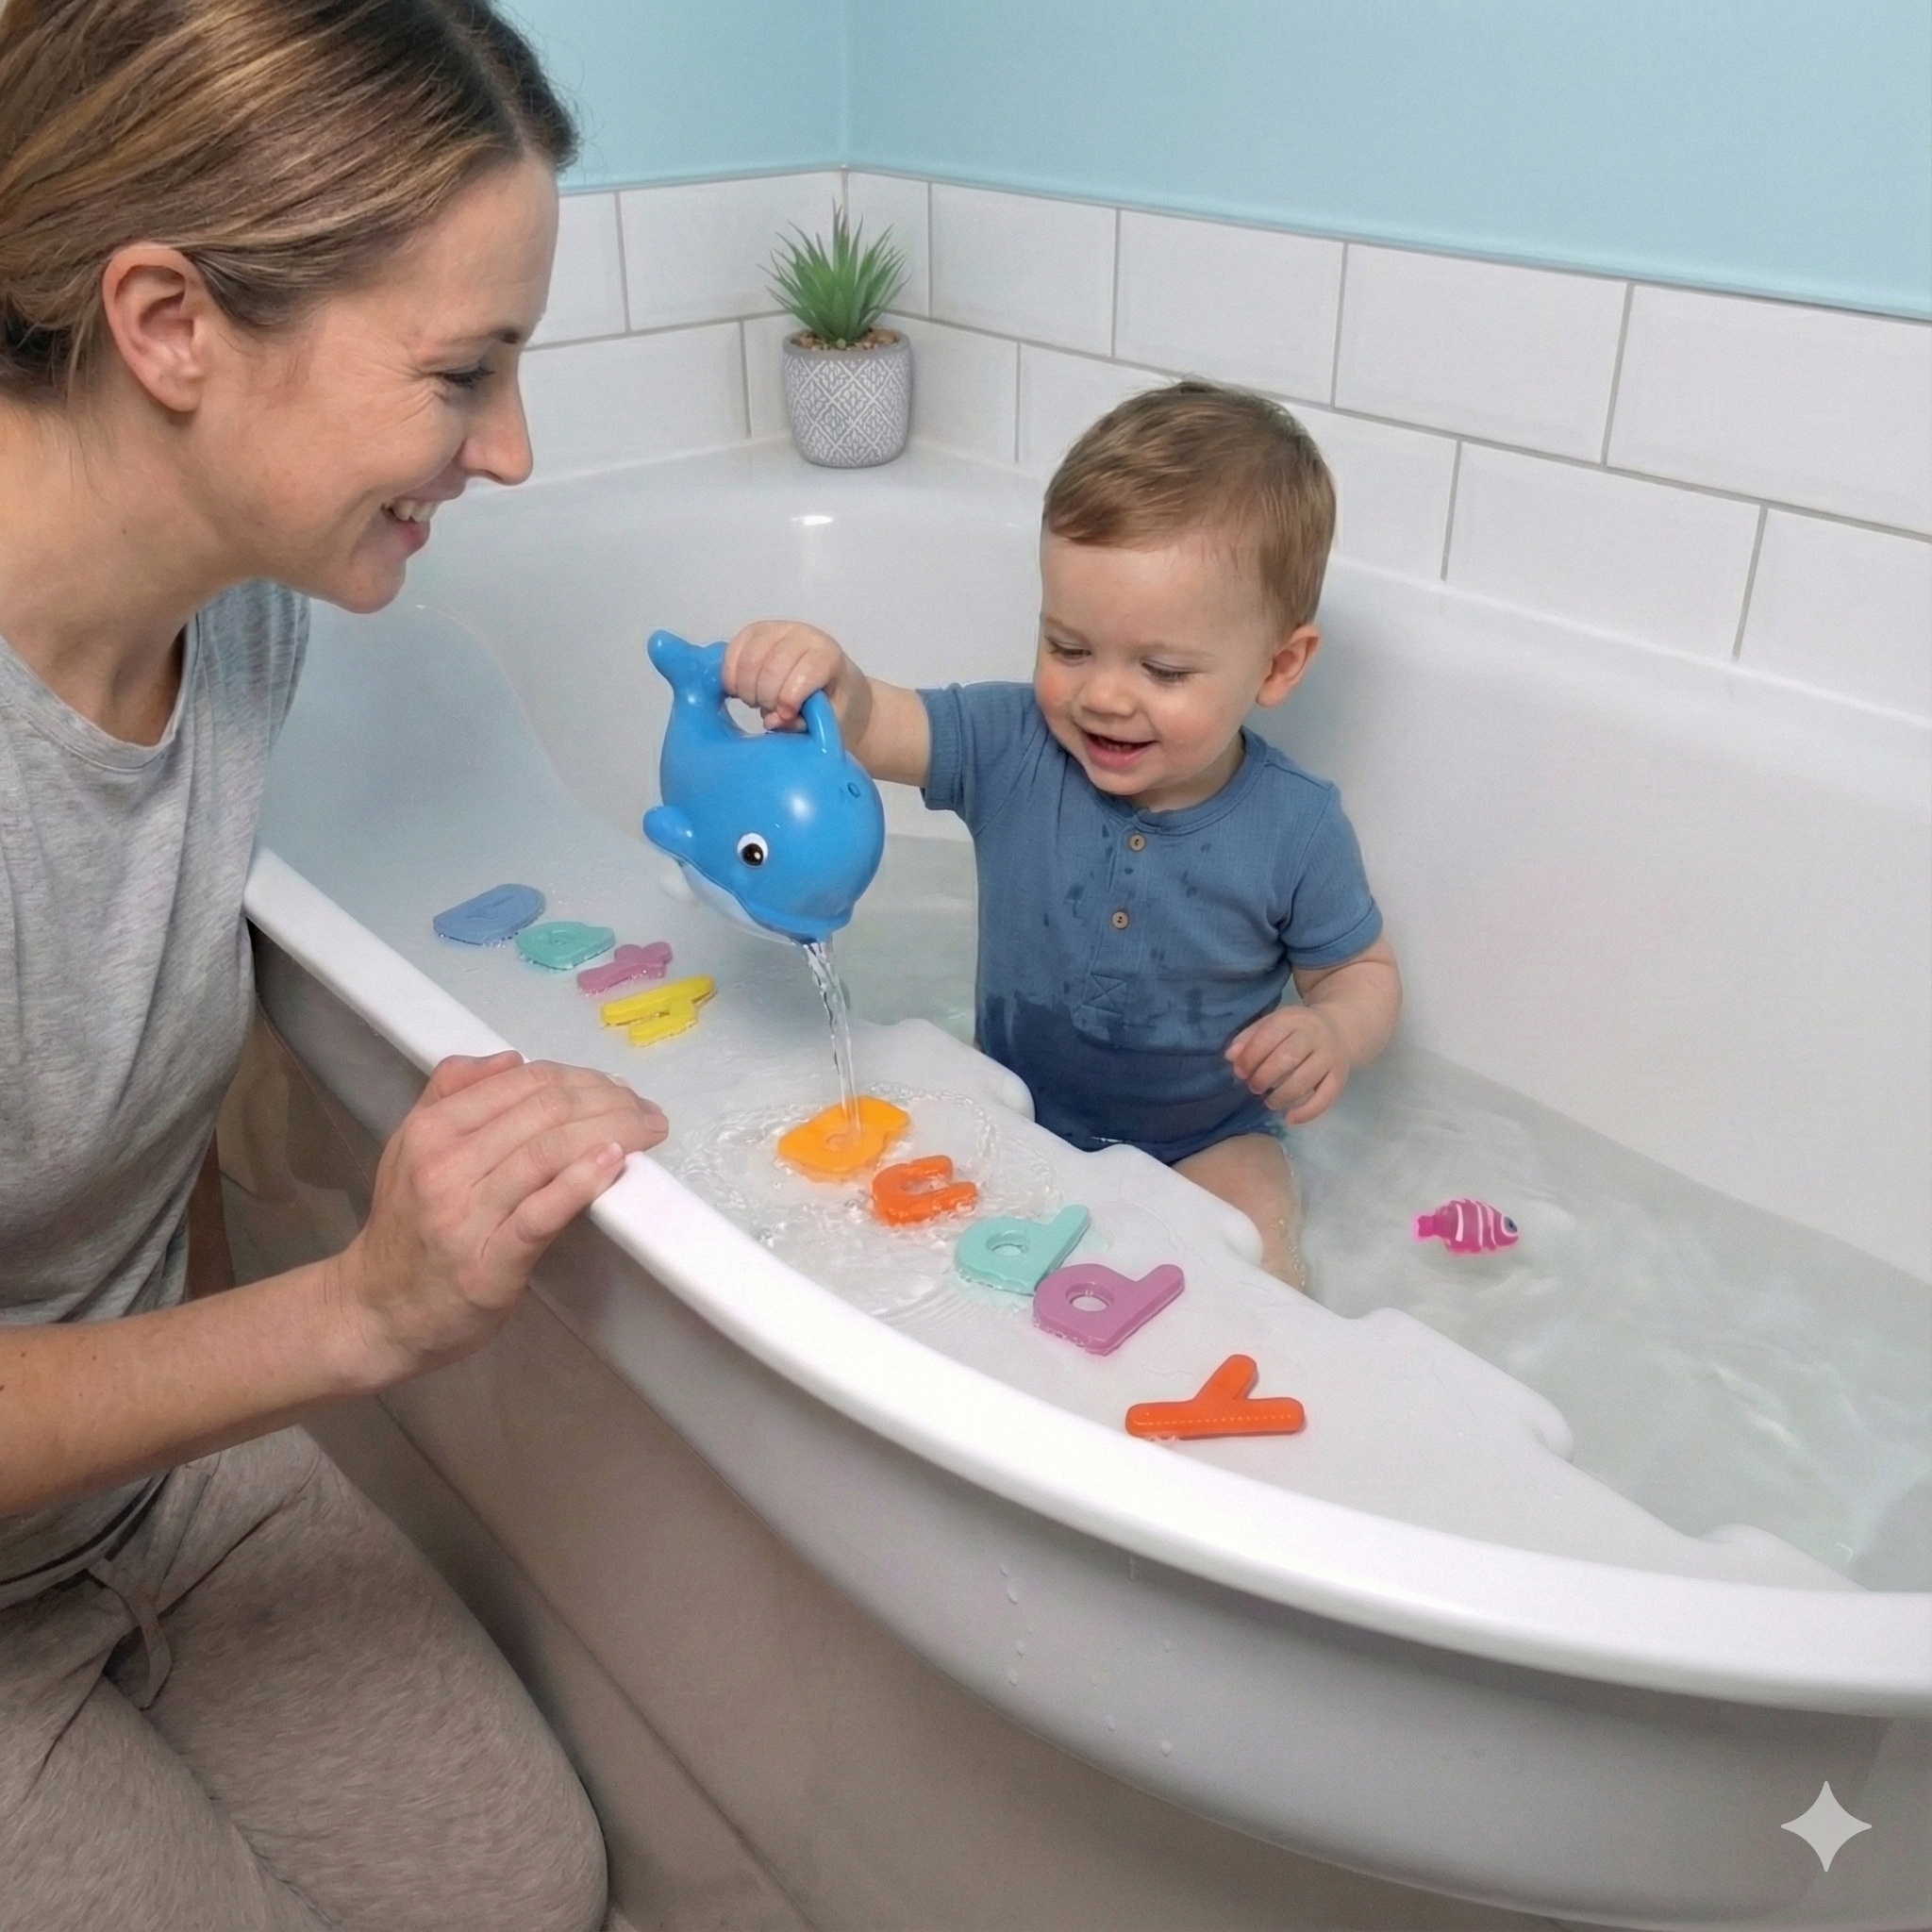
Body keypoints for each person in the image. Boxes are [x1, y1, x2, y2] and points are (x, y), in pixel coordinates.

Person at [0, 5, 667, 1927]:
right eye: (465, 371)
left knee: (526, 1885)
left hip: (137, 1488)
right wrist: (359, 1318)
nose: (516, 451)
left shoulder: (245, 615)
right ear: (170, 326)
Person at [725, 382, 1401, 1283]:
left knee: (1257, 1239)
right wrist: (828, 678)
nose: (1103, 695)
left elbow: (1360, 973)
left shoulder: (1296, 825)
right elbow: (875, 724)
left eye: (1161, 669)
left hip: (1203, 1138)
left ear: (1279, 666)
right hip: (1013, 1096)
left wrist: (1332, 1034)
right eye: (1068, 647)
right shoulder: (1014, 745)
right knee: (879, 1195)